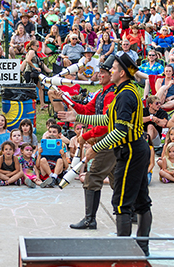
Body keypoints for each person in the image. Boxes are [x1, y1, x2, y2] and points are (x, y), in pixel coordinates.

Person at [59, 53, 152, 256]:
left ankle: (124, 253)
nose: (111, 70)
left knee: (121, 204)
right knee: (142, 201)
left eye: (114, 67)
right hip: (136, 149)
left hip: (131, 151)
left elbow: (120, 131)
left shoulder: (126, 94)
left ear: (123, 73)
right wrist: (79, 116)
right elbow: (107, 119)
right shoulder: (125, 90)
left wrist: (96, 148)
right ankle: (141, 248)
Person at [55, 55, 117, 229]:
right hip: (106, 141)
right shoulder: (102, 93)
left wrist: (86, 135)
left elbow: (106, 124)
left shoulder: (111, 95)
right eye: (100, 72)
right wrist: (66, 98)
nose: (100, 75)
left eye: (103, 72)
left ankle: (90, 219)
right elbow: (87, 109)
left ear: (112, 75)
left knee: (92, 178)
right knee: (117, 180)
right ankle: (131, 211)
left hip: (109, 142)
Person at [24, 40, 52, 109]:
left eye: (38, 46)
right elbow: (28, 60)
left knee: (40, 88)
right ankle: (29, 104)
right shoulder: (32, 51)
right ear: (32, 46)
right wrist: (35, 68)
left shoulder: (34, 52)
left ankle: (42, 104)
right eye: (37, 46)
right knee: (30, 89)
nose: (38, 47)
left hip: (32, 73)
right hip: (30, 72)